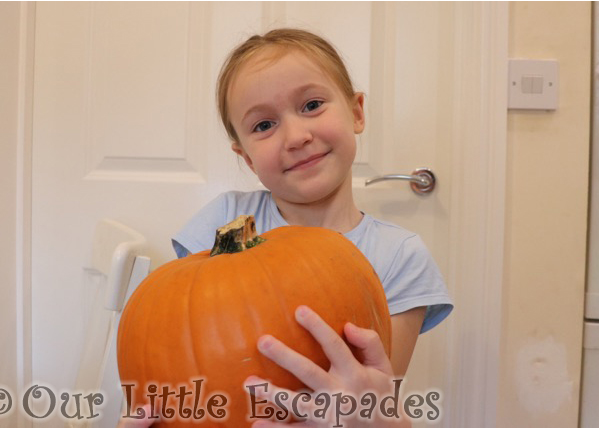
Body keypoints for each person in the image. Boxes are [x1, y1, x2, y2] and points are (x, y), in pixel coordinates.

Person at [120, 28, 453, 428]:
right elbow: (175, 335)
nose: (296, 137)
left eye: (312, 105)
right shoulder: (225, 222)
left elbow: (377, 398)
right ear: (245, 156)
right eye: (263, 126)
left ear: (357, 112)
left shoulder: (400, 256)